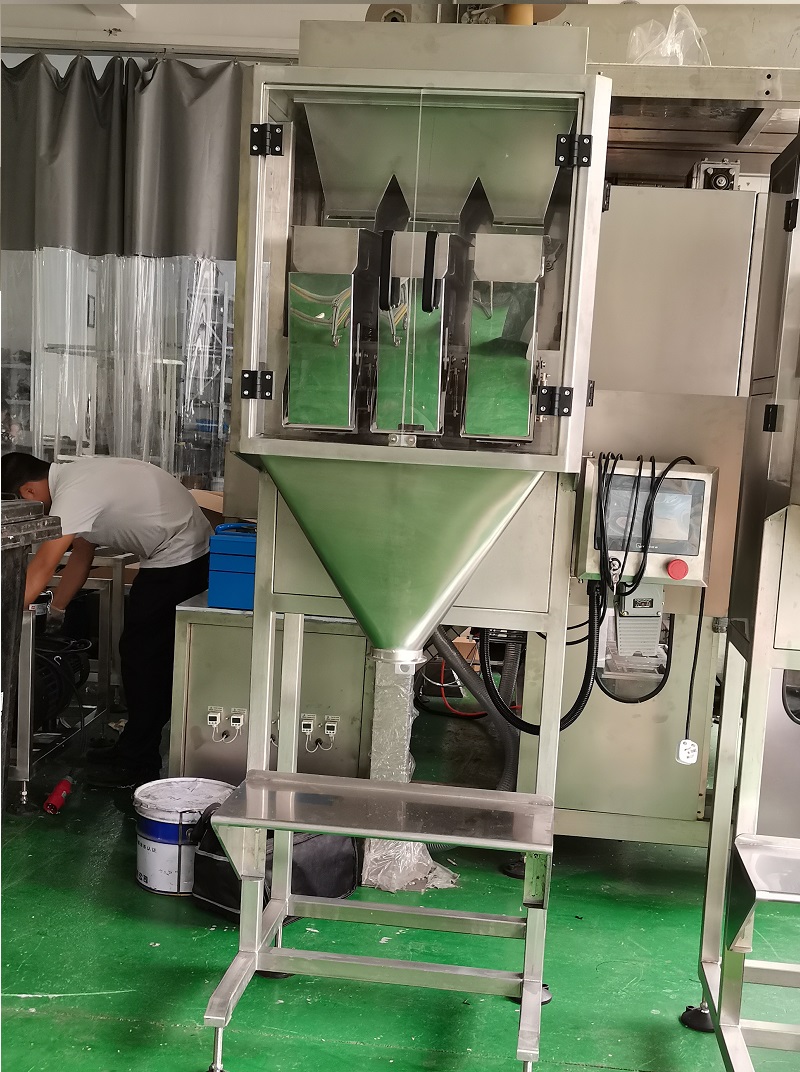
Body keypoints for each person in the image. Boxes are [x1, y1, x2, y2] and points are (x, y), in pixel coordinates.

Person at [2, 453, 212, 788]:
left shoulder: (74, 494)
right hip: (179, 549)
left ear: (28, 492)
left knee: (144, 659)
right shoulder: (75, 479)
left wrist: (5, 618)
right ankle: (133, 747)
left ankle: (138, 762)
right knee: (141, 655)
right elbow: (81, 556)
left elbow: (42, 567)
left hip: (180, 554)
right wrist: (57, 611)